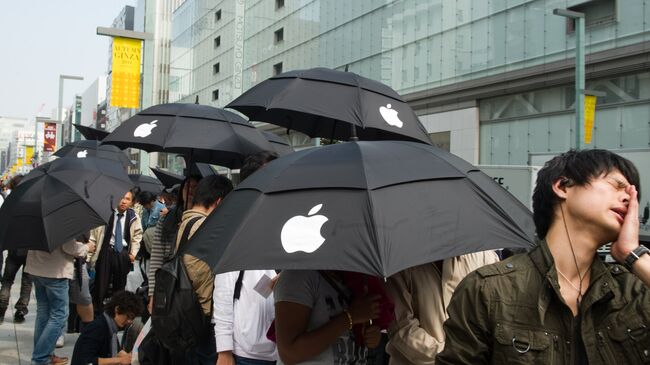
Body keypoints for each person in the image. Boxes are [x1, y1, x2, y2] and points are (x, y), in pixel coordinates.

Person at [437, 149, 650, 364]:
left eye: (634, 195)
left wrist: (634, 254)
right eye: (617, 185)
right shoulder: (488, 290)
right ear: (563, 186)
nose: (628, 198)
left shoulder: (634, 290)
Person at [213, 152, 278, 365]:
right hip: (248, 350)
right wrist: (224, 350)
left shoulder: (287, 219)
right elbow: (223, 292)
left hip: (288, 345)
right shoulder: (236, 225)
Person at [385, 251, 499, 364]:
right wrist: (450, 356)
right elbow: (402, 327)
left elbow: (495, 315)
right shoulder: (400, 265)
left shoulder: (485, 258)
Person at [175, 174, 233, 364]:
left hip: (186, 314)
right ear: (219, 201)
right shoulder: (206, 227)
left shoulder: (185, 223)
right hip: (203, 316)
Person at [273, 270, 383, 364]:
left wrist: (371, 334)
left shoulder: (350, 279)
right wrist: (349, 317)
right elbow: (289, 353)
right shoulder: (297, 276)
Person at [25, 239, 93, 365]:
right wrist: (86, 247)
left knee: (43, 314)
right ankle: (41, 358)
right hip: (55, 272)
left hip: (37, 268)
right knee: (59, 315)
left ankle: (45, 354)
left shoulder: (35, 220)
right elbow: (68, 247)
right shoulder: (60, 220)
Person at [147, 175, 200, 314]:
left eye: (195, 187)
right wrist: (152, 293)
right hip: (168, 281)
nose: (190, 191)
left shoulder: (205, 221)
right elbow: (156, 258)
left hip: (193, 286)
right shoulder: (167, 218)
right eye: (187, 186)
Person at [89, 189, 143, 310]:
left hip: (123, 253)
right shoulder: (106, 213)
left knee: (120, 286)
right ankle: (98, 312)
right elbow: (94, 234)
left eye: (127, 199)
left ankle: (116, 313)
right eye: (122, 198)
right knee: (101, 285)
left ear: (132, 202)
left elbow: (137, 237)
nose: (124, 201)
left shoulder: (133, 216)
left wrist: (133, 253)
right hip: (106, 252)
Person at [71, 290, 143, 365]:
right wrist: (120, 360)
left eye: (132, 318)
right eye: (128, 316)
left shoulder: (110, 327)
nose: (129, 321)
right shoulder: (98, 328)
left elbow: (117, 351)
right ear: (117, 309)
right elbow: (87, 361)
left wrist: (128, 356)